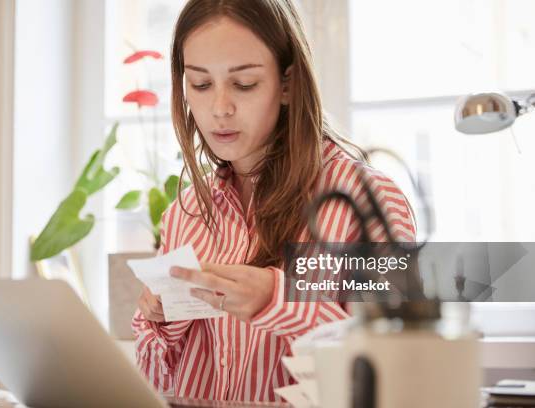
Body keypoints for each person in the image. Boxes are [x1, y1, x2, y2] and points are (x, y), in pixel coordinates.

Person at [132, 0, 415, 402]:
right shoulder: (186, 214)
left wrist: (277, 299)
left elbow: (395, 370)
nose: (219, 108)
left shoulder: (368, 202)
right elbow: (157, 386)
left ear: (287, 84)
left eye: (244, 84)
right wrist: (161, 319)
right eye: (200, 84)